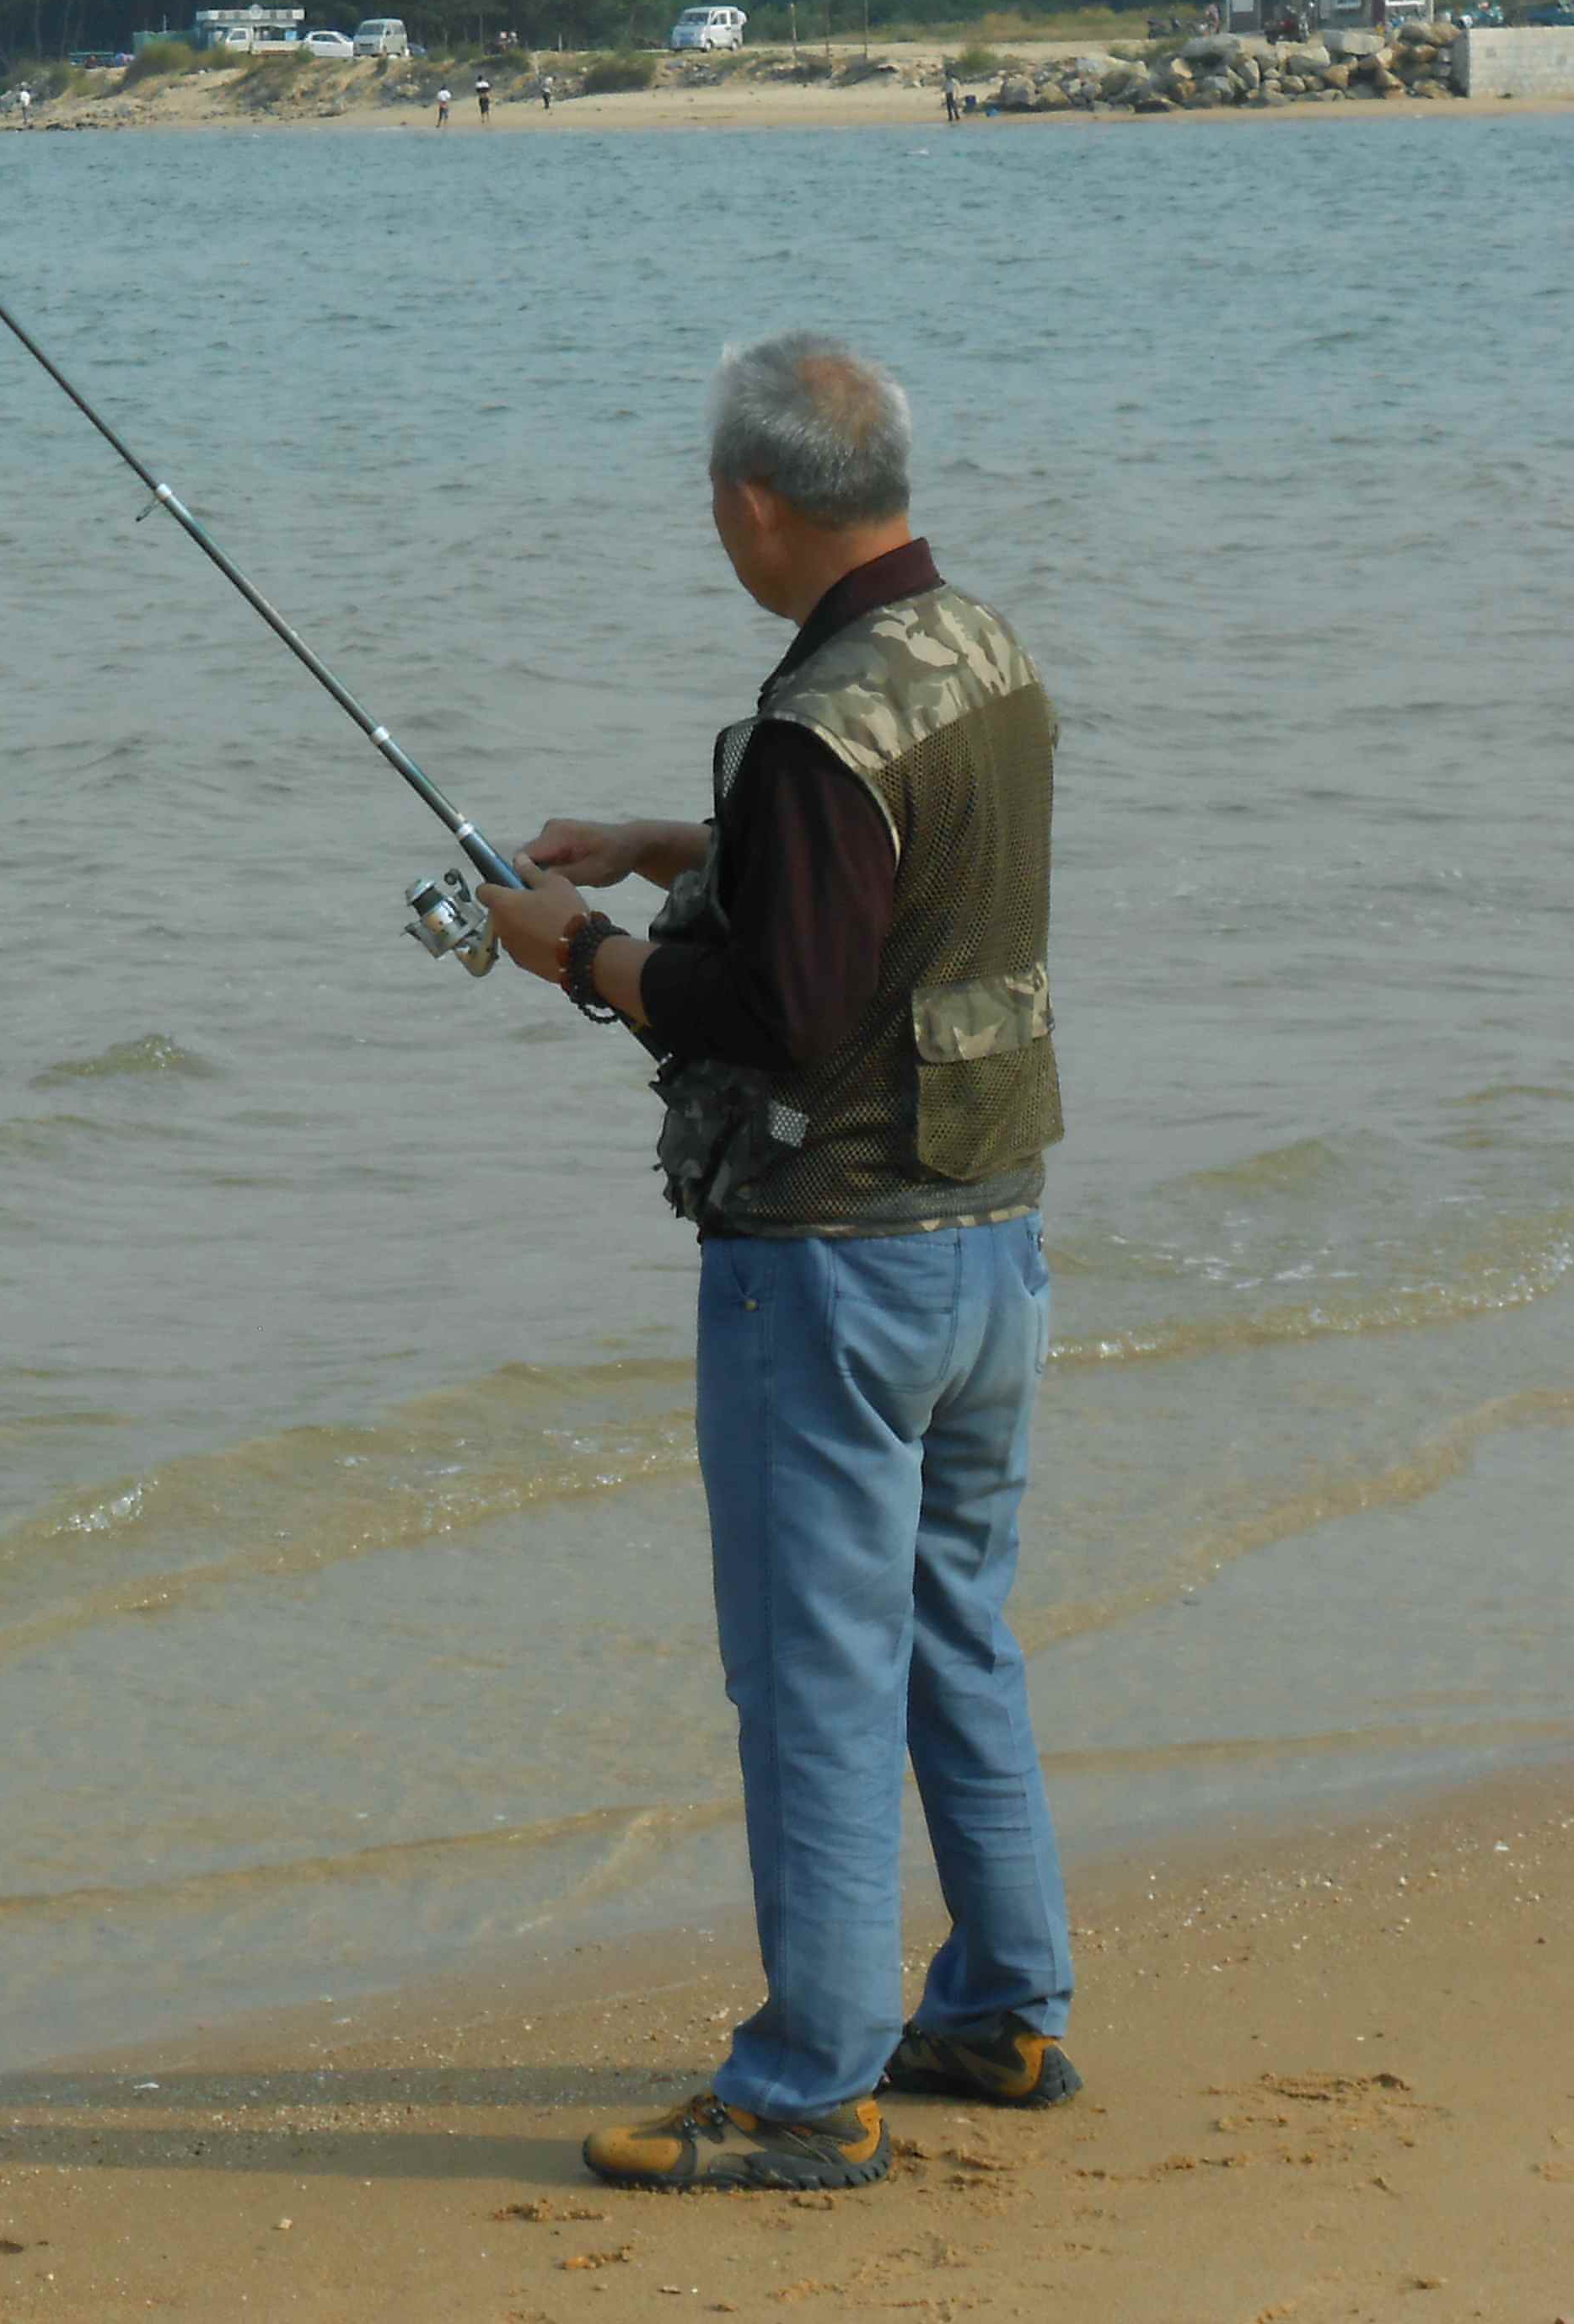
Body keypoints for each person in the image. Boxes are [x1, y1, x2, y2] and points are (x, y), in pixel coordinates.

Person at [480, 334, 1075, 2197]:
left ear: (755, 503)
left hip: (833, 1268)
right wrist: (685, 840)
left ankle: (810, 2087)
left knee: (813, 1678)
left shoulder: (824, 718)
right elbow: (892, 890)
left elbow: (789, 1012)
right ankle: (1004, 2005)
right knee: (953, 1627)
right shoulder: (977, 643)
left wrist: (575, 953)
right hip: (990, 1238)